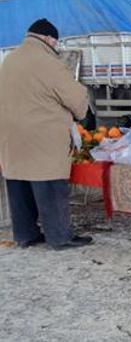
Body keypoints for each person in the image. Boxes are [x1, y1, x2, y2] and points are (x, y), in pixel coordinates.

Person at [0, 18, 93, 250]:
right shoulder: (49, 63)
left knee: (19, 186)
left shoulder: (10, 59)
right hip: (42, 136)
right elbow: (76, 98)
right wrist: (81, 108)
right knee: (50, 185)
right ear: (48, 39)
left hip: (12, 136)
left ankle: (26, 235)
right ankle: (60, 236)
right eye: (55, 41)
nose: (56, 45)